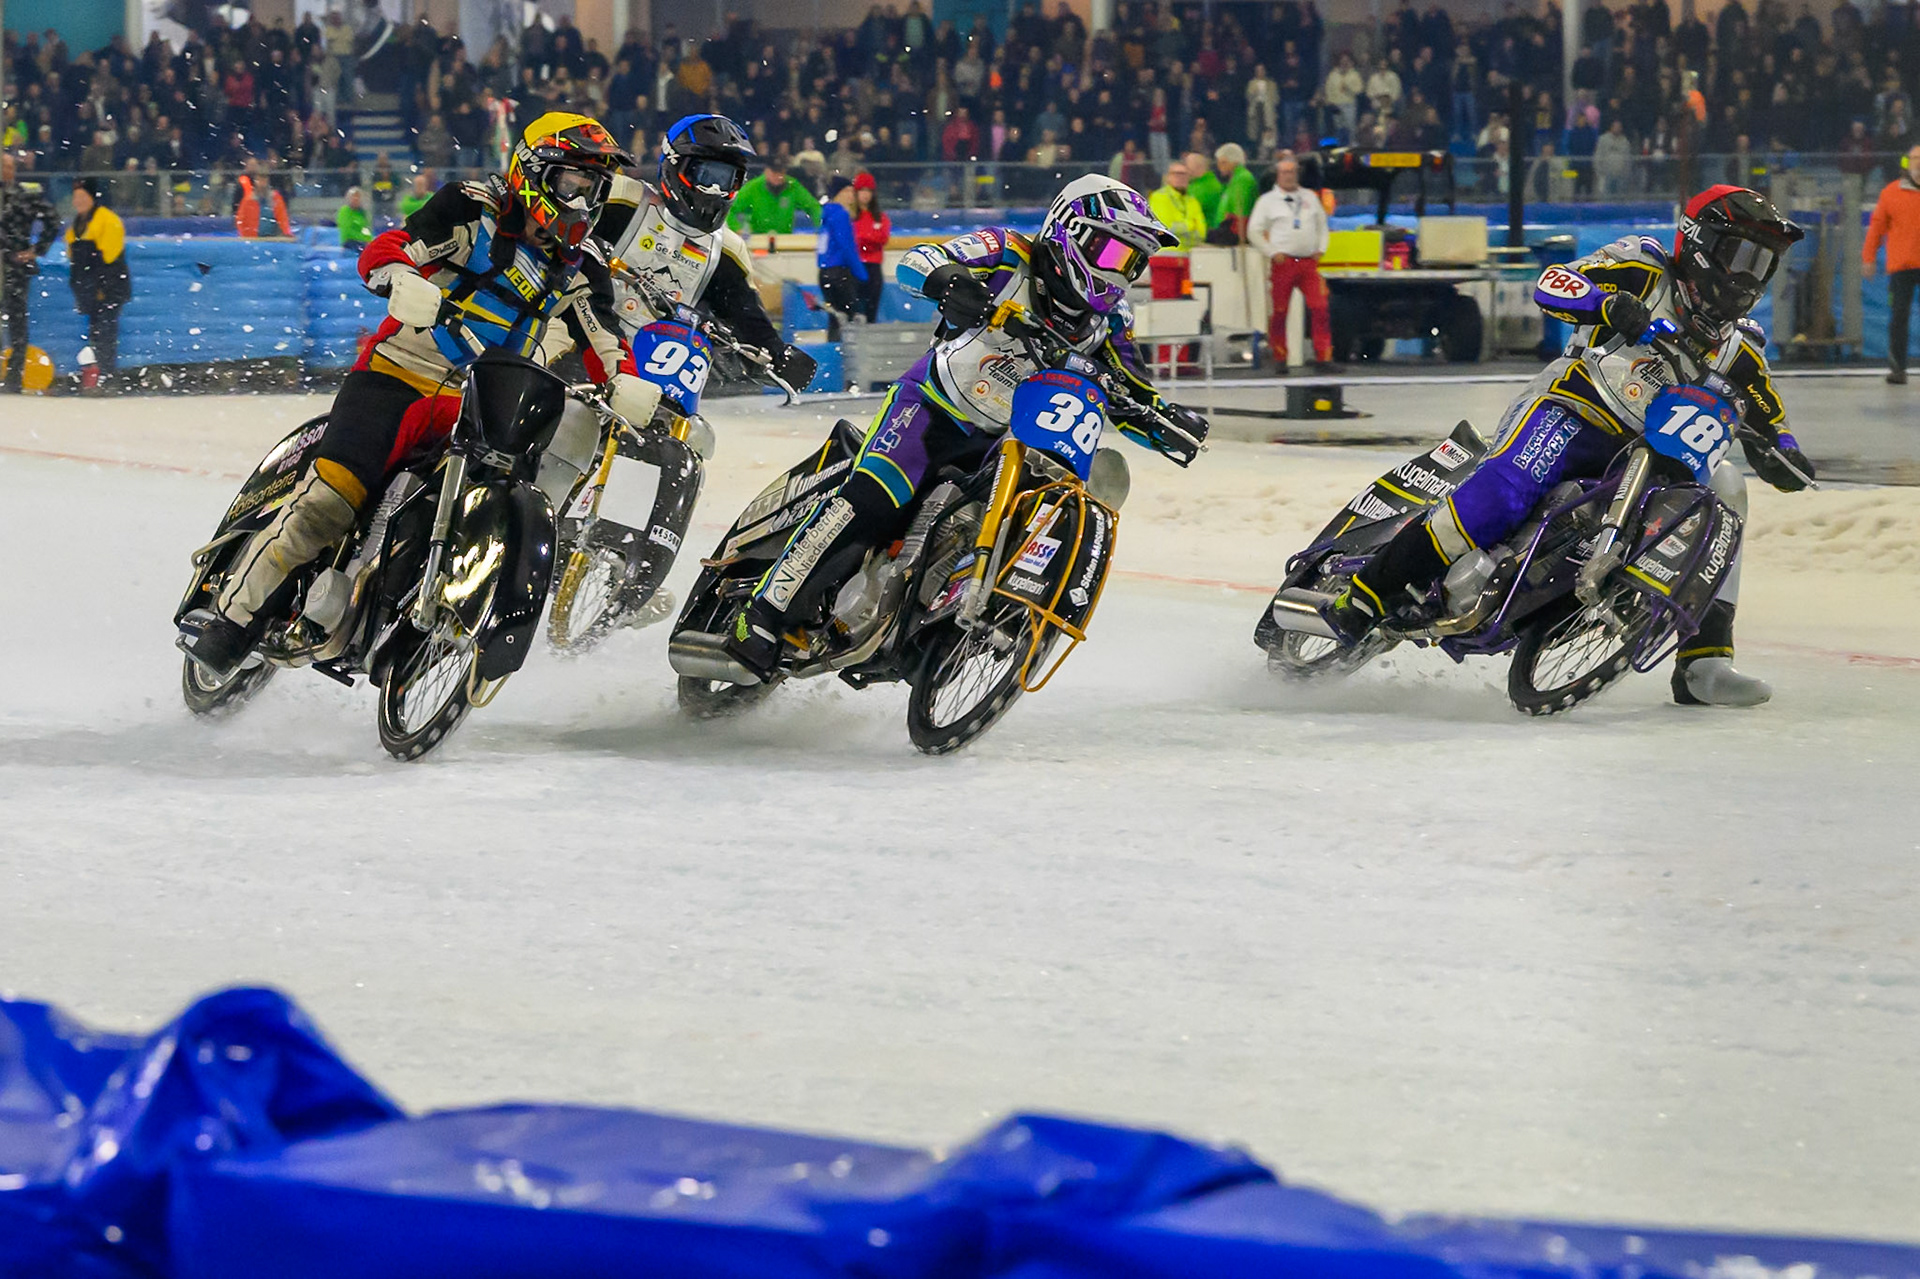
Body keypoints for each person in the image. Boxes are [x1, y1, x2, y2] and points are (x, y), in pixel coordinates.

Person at [180, 113, 658, 677]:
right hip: (399, 372)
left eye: (594, 189)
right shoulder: (472, 206)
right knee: (325, 508)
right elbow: (393, 245)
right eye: (573, 184)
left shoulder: (586, 269)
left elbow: (606, 339)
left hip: (485, 405)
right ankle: (230, 623)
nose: (582, 203)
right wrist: (397, 276)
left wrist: (628, 381)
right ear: (533, 174)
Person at [688, 175, 1212, 683]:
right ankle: (763, 612)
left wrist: (1166, 419)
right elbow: (923, 260)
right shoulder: (1010, 251)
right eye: (1114, 255)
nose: (1120, 274)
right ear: (1071, 232)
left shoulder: (1111, 318)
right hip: (930, 408)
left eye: (1133, 262)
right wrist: (953, 285)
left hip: (1005, 445)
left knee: (1021, 511)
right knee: (877, 498)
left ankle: (941, 619)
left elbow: (1129, 386)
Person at [1317, 186, 1813, 708]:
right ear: (1699, 242)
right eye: (1742, 257)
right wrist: (1608, 304)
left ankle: (1705, 661)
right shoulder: (1644, 265)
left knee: (1728, 490)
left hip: (1654, 456)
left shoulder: (1741, 347)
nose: (1749, 277)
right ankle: (1365, 599)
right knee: (1506, 493)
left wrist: (1783, 450)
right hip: (1573, 410)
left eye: (1764, 264)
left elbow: (1769, 414)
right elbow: (1555, 282)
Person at [595, 114, 814, 388]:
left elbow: (744, 313)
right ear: (676, 166)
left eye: (726, 180)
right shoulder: (618, 198)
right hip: (578, 342)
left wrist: (778, 354)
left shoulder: (727, 250)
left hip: (653, 376)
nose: (715, 191)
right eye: (707, 176)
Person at [1247, 157, 1333, 370]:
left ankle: (1324, 356)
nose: (1289, 176)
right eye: (1285, 172)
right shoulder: (1267, 201)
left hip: (1307, 262)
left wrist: (1321, 248)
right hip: (1283, 262)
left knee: (1320, 306)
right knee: (1280, 311)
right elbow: (1253, 231)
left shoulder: (1310, 198)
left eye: (1292, 172)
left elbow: (1322, 225)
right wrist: (1271, 252)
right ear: (1278, 175)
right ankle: (1280, 356)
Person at [1, 151, 60, 394]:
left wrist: (36, 250)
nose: (7, 170)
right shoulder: (22, 197)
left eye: (10, 166)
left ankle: (14, 376)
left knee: (17, 321)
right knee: (16, 320)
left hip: (14, 264)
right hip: (12, 262)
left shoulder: (25, 196)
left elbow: (53, 219)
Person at [65, 179, 132, 391]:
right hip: (91, 289)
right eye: (76, 197)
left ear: (93, 198)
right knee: (97, 331)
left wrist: (100, 286)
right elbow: (72, 254)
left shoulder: (107, 220)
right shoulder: (77, 224)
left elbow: (109, 258)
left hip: (109, 287)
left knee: (106, 331)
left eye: (83, 196)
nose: (78, 201)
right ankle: (99, 376)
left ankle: (108, 377)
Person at [1863, 144, 1920, 384]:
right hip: (1902, 266)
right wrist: (1868, 258)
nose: (1918, 163)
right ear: (1907, 163)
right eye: (1915, 159)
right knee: (1898, 318)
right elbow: (1876, 228)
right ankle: (1898, 369)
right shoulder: (1890, 193)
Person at [815, 174, 867, 340]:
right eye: (849, 191)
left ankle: (834, 353)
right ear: (840, 193)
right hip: (840, 273)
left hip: (825, 273)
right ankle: (849, 359)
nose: (853, 195)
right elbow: (847, 246)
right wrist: (861, 273)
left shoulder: (826, 214)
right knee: (852, 317)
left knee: (835, 318)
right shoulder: (841, 215)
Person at [728, 158, 822, 235]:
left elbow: (814, 207)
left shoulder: (793, 186)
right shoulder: (753, 187)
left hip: (784, 240)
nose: (778, 176)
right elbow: (731, 209)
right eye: (774, 173)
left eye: (781, 172)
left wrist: (821, 228)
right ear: (767, 172)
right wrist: (737, 229)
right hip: (757, 240)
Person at [1187, 143, 1258, 244]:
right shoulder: (1233, 180)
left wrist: (1239, 237)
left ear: (1234, 162)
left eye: (1223, 162)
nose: (1219, 167)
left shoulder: (1243, 179)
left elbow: (1241, 209)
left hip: (1233, 234)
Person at [850, 172, 889, 322]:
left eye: (869, 191)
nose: (865, 195)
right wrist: (870, 239)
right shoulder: (850, 216)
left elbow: (882, 238)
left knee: (871, 311)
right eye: (862, 190)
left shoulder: (880, 216)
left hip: (874, 268)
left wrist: (863, 239)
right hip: (856, 267)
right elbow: (855, 241)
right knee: (856, 313)